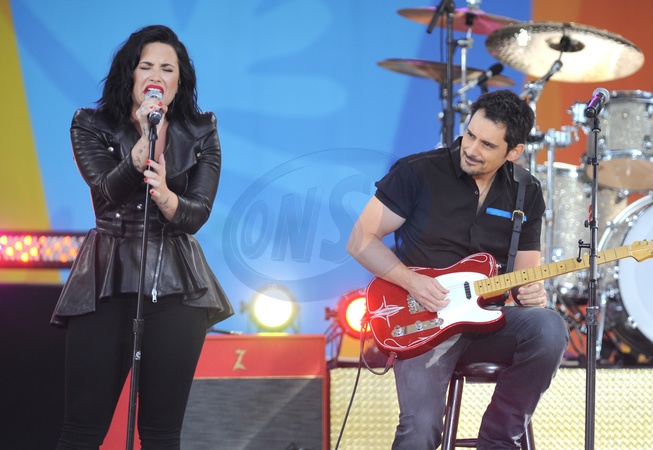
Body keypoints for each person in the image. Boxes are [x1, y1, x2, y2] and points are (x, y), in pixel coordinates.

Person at [347, 89, 569, 449]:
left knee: (549, 328)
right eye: (470, 135)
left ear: (514, 152)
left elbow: (526, 275)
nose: (472, 149)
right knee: (421, 430)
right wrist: (411, 281)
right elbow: (360, 239)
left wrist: (532, 292)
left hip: (488, 323)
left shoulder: (526, 191)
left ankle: (498, 440)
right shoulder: (417, 172)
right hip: (423, 323)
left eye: (487, 145)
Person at [51, 25, 234, 449]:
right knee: (81, 431)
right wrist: (138, 153)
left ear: (179, 82)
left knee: (161, 433)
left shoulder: (202, 129)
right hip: (105, 280)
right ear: (130, 74)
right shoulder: (90, 124)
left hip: (176, 285)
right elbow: (106, 193)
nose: (156, 76)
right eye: (146, 66)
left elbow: (196, 215)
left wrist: (167, 195)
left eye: (167, 69)